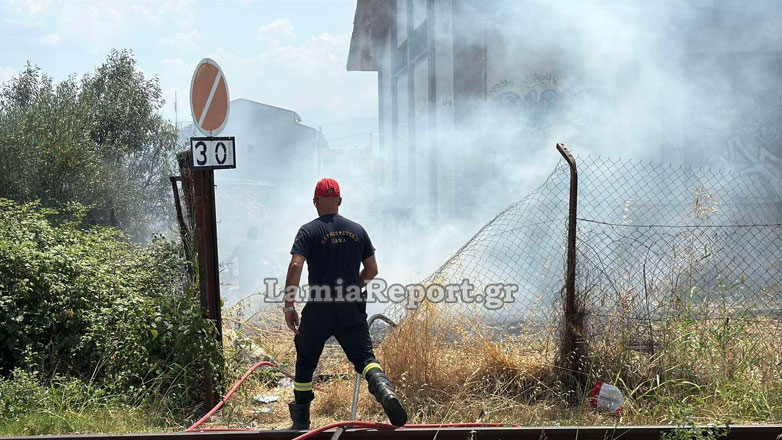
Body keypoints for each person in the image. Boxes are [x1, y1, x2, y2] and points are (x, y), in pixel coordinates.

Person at [282, 178, 408, 430]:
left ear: (315, 202)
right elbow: (372, 270)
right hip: (351, 304)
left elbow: (296, 265)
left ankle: (301, 423)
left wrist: (289, 305)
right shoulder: (358, 230)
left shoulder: (308, 231)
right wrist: (354, 286)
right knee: (364, 358)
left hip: (319, 306)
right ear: (339, 201)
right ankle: (384, 391)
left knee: (306, 360)